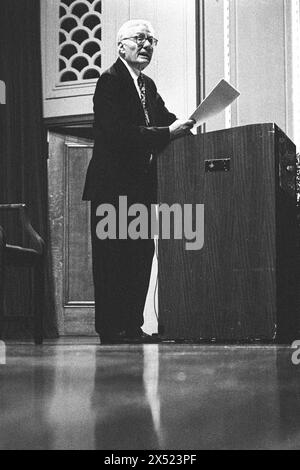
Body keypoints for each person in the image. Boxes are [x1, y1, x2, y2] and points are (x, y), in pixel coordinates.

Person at [82, 19, 194, 344]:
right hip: (111, 188)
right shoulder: (110, 82)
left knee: (140, 254)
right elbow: (118, 134)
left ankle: (132, 326)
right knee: (112, 258)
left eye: (152, 41)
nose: (146, 45)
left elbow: (165, 120)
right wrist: (166, 133)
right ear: (121, 46)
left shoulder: (148, 85)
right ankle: (110, 329)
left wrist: (190, 127)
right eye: (140, 39)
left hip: (140, 189)